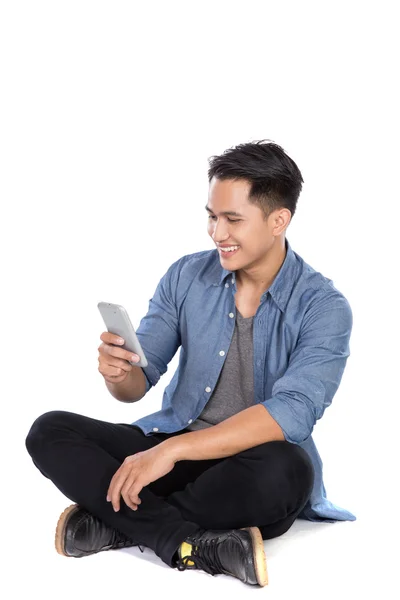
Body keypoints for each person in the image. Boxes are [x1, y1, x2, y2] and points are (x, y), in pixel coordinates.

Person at [25, 140, 355, 587]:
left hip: (243, 466)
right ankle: (188, 543)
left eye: (232, 219)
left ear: (279, 220)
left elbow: (293, 412)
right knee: (50, 430)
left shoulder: (324, 306)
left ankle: (117, 522)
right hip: (171, 446)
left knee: (289, 471)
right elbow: (137, 386)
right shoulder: (186, 275)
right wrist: (120, 372)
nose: (217, 233)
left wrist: (170, 452)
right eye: (212, 216)